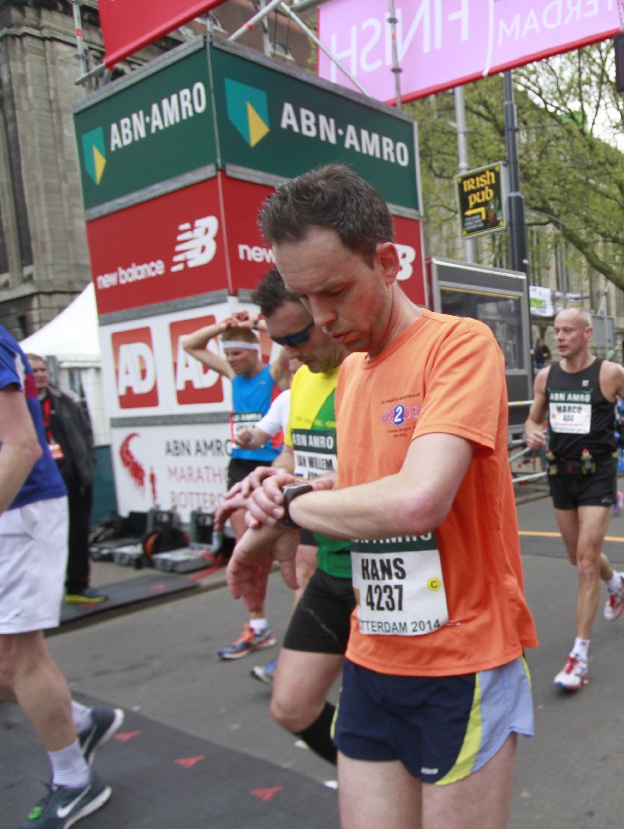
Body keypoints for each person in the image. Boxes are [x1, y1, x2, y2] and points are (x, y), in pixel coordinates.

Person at [227, 163, 538, 827]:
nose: (321, 318)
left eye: (336, 290)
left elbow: (417, 501)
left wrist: (292, 509)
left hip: (461, 661)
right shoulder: (353, 375)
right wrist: (284, 495)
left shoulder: (458, 345)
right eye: (305, 297)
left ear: (389, 262)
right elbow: (363, 487)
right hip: (370, 652)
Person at [0, 309, 123, 828]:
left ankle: (75, 780)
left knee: (14, 652)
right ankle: (77, 720)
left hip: (13, 509)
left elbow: (22, 444)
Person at [217, 268, 352, 763]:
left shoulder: (365, 372)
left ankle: (387, 784)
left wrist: (292, 502)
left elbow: (385, 476)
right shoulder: (304, 382)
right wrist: (270, 480)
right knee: (292, 706)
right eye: (281, 343)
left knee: (374, 714)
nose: (291, 354)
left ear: (327, 316)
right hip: (329, 562)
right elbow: (295, 455)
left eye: (298, 338)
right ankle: (373, 776)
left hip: (383, 572)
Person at [524, 306, 624, 692]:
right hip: (560, 473)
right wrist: (532, 431)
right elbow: (532, 418)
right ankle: (617, 582)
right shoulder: (546, 376)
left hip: (597, 473)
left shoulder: (609, 373)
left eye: (567, 330)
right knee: (578, 556)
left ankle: (578, 657)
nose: (560, 337)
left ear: (586, 333)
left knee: (584, 561)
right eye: (556, 331)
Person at [182, 315, 284, 659]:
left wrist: (256, 324)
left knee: (297, 552)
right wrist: (222, 328)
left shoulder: (273, 372)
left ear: (254, 351)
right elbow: (190, 345)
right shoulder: (233, 375)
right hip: (240, 466)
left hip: (273, 467)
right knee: (248, 549)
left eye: (237, 354)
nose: (231, 360)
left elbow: (286, 338)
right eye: (227, 355)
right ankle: (258, 625)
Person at [25, 353, 103, 604]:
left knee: (78, 535)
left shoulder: (64, 400)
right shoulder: (19, 404)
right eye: (33, 371)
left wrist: (88, 464)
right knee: (43, 541)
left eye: (42, 370)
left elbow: (85, 432)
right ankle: (41, 595)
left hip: (75, 480)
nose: (39, 375)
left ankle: (77, 586)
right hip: (40, 487)